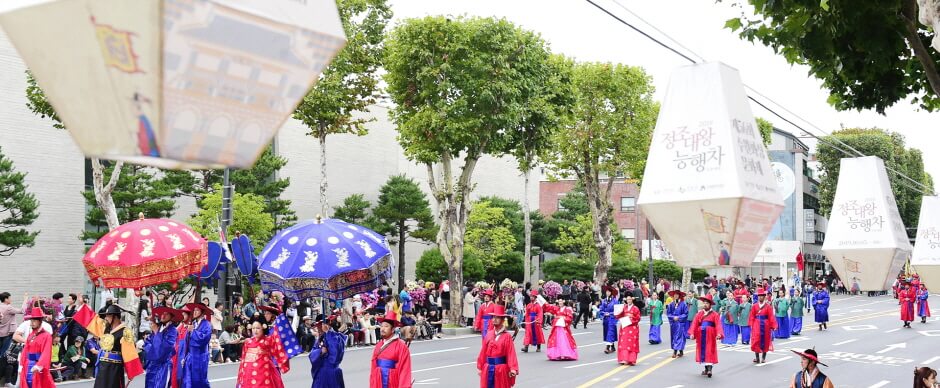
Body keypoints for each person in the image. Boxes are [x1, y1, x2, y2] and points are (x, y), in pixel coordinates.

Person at [236, 321, 290, 388]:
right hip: (248, 371)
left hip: (264, 370)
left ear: (263, 328)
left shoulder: (267, 340)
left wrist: (279, 322)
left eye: (258, 328)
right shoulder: (248, 342)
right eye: (253, 328)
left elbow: (277, 340)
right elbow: (243, 359)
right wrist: (242, 371)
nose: (255, 330)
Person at [476, 305, 519, 388]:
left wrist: (512, 368)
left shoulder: (507, 336)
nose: (494, 319)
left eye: (497, 317)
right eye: (493, 317)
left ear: (503, 320)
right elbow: (483, 352)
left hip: (501, 370)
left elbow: (511, 353)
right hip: (488, 368)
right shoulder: (489, 334)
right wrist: (480, 366)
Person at [369, 310, 412, 388]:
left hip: (392, 380)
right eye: (381, 326)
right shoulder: (379, 345)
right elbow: (373, 366)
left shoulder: (401, 346)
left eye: (386, 326)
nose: (382, 329)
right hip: (378, 380)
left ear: (393, 329)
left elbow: (405, 369)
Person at [144, 306, 180, 388]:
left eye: (166, 314)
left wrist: (157, 333)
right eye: (162, 314)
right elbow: (147, 343)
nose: (163, 316)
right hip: (152, 365)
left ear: (171, 316)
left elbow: (166, 348)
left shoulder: (173, 331)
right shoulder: (158, 327)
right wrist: (154, 350)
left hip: (163, 366)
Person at [688, 294, 722, 378]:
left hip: (710, 334)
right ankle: (706, 369)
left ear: (710, 304)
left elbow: (718, 325)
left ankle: (709, 369)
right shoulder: (699, 314)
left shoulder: (715, 314)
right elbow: (695, 324)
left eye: (707, 303)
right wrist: (692, 333)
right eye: (704, 303)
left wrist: (719, 333)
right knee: (702, 351)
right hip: (701, 335)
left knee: (709, 350)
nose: (705, 304)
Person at [20, 307, 55, 388]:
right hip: (27, 364)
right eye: (31, 321)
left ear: (40, 321)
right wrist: (21, 364)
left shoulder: (46, 335)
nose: (32, 323)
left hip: (37, 365)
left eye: (34, 321)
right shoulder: (31, 334)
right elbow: (25, 350)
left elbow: (46, 352)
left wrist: (39, 365)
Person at [181, 303, 213, 388]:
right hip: (190, 356)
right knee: (188, 379)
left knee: (200, 380)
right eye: (194, 310)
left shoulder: (207, 324)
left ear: (202, 312)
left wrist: (193, 331)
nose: (194, 312)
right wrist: (184, 357)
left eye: (197, 310)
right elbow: (186, 341)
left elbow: (205, 339)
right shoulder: (193, 323)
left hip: (200, 357)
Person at [309, 313, 345, 388]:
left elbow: (336, 354)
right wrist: (320, 352)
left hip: (332, 373)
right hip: (321, 373)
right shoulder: (320, 338)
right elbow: (311, 354)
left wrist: (328, 333)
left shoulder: (336, 336)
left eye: (319, 326)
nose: (318, 329)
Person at [749, 288, 777, 364]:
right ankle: (757, 357)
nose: (760, 297)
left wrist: (774, 325)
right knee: (756, 340)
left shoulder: (768, 306)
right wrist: (751, 324)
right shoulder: (754, 306)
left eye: (762, 296)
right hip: (756, 325)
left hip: (765, 325)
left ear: (764, 297)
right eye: (759, 296)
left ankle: (763, 358)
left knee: (766, 341)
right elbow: (752, 316)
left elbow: (771, 316)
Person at [615, 295, 641, 366]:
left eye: (629, 299)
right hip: (625, 327)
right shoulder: (624, 307)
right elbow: (618, 316)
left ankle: (631, 360)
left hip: (632, 328)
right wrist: (619, 310)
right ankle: (624, 359)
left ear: (632, 300)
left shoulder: (635, 308)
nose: (628, 301)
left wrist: (630, 321)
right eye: (627, 299)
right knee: (624, 343)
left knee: (632, 343)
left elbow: (638, 318)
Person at [665, 290, 688, 358]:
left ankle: (675, 351)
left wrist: (679, 317)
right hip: (674, 323)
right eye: (675, 295)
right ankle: (681, 351)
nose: (676, 296)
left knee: (679, 336)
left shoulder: (683, 304)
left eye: (677, 295)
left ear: (679, 296)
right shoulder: (671, 304)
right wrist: (673, 317)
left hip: (680, 323)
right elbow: (668, 313)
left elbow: (685, 313)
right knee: (674, 336)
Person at [171, 310, 190, 388]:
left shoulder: (190, 326)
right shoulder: (181, 325)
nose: (182, 316)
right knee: (176, 374)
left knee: (182, 374)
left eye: (184, 315)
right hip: (177, 351)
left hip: (185, 351)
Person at [598, 287, 618, 354]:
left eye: (609, 292)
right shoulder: (603, 301)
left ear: (611, 293)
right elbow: (601, 309)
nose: (607, 293)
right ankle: (612, 346)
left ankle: (607, 347)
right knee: (607, 333)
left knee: (610, 332)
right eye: (607, 292)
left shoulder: (615, 300)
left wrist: (610, 313)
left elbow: (617, 310)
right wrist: (604, 313)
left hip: (612, 319)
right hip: (606, 319)